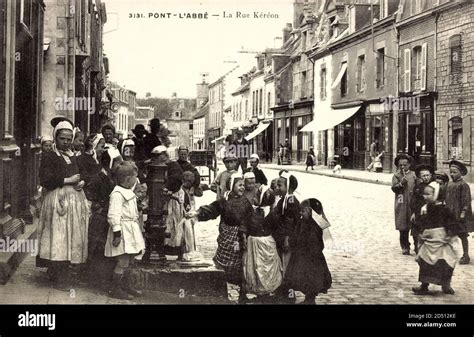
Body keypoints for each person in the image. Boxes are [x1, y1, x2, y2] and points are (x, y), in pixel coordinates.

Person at [37, 117, 89, 290]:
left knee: (69, 236)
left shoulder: (72, 156)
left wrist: (81, 182)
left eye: (68, 139)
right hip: (56, 201)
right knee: (59, 237)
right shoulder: (49, 156)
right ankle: (58, 276)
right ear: (55, 138)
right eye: (62, 139)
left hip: (73, 200)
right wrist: (67, 180)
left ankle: (61, 271)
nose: (66, 142)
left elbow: (80, 174)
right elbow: (45, 179)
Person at [185, 173, 254, 303]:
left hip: (240, 238)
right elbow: (211, 209)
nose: (242, 188)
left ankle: (241, 292)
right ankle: (224, 291)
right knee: (224, 264)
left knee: (239, 265)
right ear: (231, 186)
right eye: (239, 185)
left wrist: (245, 234)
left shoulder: (245, 202)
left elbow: (250, 218)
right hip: (226, 237)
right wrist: (197, 213)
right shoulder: (224, 201)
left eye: (243, 185)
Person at [412, 181, 463, 295]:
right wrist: (419, 231)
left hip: (442, 241)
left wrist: (450, 234)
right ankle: (424, 285)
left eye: (428, 194)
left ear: (436, 194)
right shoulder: (425, 209)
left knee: (446, 263)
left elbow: (453, 223)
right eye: (424, 194)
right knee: (425, 263)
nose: (424, 196)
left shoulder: (445, 210)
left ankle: (446, 285)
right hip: (429, 240)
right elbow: (420, 222)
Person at [104, 161, 145, 300]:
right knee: (122, 261)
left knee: (130, 259)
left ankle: (126, 285)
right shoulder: (117, 194)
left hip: (131, 230)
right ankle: (115, 288)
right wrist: (117, 233)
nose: (136, 180)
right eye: (135, 177)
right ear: (128, 179)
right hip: (122, 232)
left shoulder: (128, 191)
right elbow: (113, 215)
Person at [84, 149, 122, 290]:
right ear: (108, 163)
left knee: (107, 249)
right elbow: (89, 196)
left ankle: (105, 279)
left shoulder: (113, 178)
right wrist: (98, 208)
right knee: (98, 249)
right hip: (100, 220)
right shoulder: (98, 178)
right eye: (117, 161)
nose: (120, 164)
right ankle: (97, 281)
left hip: (108, 218)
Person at [284, 198, 332, 304]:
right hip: (303, 256)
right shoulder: (304, 222)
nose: (300, 213)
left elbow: (314, 242)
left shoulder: (314, 227)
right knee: (306, 279)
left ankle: (310, 299)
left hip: (311, 258)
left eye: (303, 211)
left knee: (311, 279)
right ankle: (309, 299)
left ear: (311, 212)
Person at [242, 185, 282, 300]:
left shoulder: (272, 214)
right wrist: (244, 235)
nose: (253, 197)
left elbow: (277, 228)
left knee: (265, 268)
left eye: (256, 195)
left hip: (266, 244)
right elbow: (245, 224)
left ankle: (266, 291)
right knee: (256, 267)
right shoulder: (252, 212)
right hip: (254, 243)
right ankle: (258, 291)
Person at [267, 171, 300, 280]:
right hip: (281, 237)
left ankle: (288, 290)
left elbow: (289, 222)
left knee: (286, 263)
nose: (277, 187)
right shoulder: (284, 199)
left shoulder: (290, 201)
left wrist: (287, 238)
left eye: (280, 185)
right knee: (282, 262)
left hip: (288, 239)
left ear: (289, 187)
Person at [445, 160, 473, 265]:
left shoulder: (463, 185)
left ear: (461, 172)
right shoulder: (449, 184)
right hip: (450, 214)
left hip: (459, 214)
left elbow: (466, 200)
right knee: (449, 234)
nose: (452, 174)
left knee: (462, 235)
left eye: (455, 172)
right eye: (451, 172)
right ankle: (448, 254)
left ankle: (466, 255)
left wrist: (463, 213)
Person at [391, 154, 417, 255]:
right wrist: (401, 183)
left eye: (405, 165)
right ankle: (405, 246)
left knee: (415, 225)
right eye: (400, 165)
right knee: (403, 226)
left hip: (412, 203)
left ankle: (417, 245)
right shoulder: (396, 176)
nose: (402, 167)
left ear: (409, 165)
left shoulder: (414, 175)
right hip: (401, 204)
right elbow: (394, 188)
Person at [410, 164, 434, 254]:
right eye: (423, 176)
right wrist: (413, 213)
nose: (426, 177)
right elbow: (413, 201)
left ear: (431, 175)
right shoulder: (417, 187)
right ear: (420, 177)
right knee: (417, 230)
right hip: (418, 212)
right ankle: (417, 247)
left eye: (427, 175)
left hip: (431, 212)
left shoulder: (434, 186)